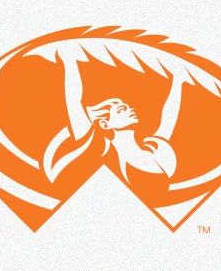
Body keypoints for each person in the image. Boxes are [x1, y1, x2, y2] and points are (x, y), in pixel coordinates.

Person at [42, 49, 188, 190]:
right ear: (105, 124)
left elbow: (168, 118)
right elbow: (74, 101)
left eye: (127, 107)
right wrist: (69, 61)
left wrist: (178, 80)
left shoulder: (153, 148)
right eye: (121, 109)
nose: (130, 109)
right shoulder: (99, 146)